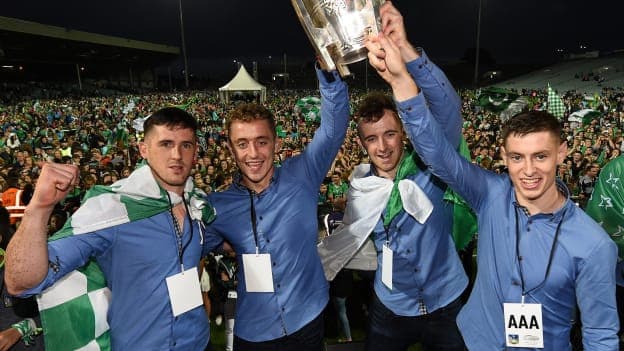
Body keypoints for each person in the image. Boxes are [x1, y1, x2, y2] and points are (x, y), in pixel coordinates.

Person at [364, 29, 619, 350]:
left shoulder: (595, 246)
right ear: (504, 157)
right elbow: (438, 155)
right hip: (475, 341)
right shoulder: (490, 194)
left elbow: (600, 334)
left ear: (562, 152)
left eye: (540, 156)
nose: (528, 170)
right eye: (517, 157)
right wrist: (402, 80)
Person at [5, 107, 222, 350]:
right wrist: (39, 208)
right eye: (165, 144)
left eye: (186, 145)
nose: (176, 155)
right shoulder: (111, 210)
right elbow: (21, 283)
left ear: (195, 151)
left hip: (200, 343)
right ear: (144, 150)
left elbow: (223, 243)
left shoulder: (199, 205)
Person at [319, 3, 469, 350]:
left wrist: (407, 52)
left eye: (389, 134)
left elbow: (448, 110)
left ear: (402, 131)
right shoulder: (360, 187)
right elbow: (348, 236)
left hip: (446, 302)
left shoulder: (432, 168)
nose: (383, 147)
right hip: (390, 306)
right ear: (362, 143)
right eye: (372, 138)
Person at [205, 64, 349, 350]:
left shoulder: (302, 174)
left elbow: (333, 130)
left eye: (261, 142)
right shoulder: (216, 207)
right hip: (255, 330)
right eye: (242, 144)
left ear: (276, 143)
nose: (253, 153)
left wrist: (329, 71)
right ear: (231, 150)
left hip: (307, 319)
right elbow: (182, 245)